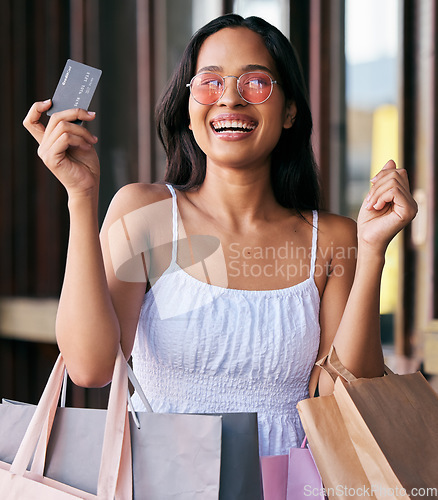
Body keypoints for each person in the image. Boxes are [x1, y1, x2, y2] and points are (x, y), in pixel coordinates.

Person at [23, 14, 417, 456]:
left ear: (289, 111)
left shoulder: (332, 238)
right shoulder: (145, 213)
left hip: (287, 483)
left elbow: (343, 397)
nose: (230, 99)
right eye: (210, 83)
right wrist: (81, 196)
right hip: (164, 482)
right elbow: (89, 367)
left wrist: (371, 251)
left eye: (256, 83)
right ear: (189, 112)